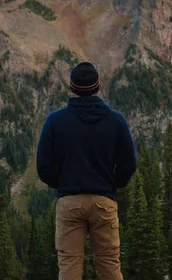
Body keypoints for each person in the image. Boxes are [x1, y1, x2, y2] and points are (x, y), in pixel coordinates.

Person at [37, 61, 136, 280]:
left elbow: (43, 167)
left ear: (72, 88)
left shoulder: (55, 121)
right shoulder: (116, 120)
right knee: (109, 266)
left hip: (70, 201)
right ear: (97, 86)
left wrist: (62, 183)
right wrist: (112, 183)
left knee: (70, 268)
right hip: (104, 201)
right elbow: (129, 163)